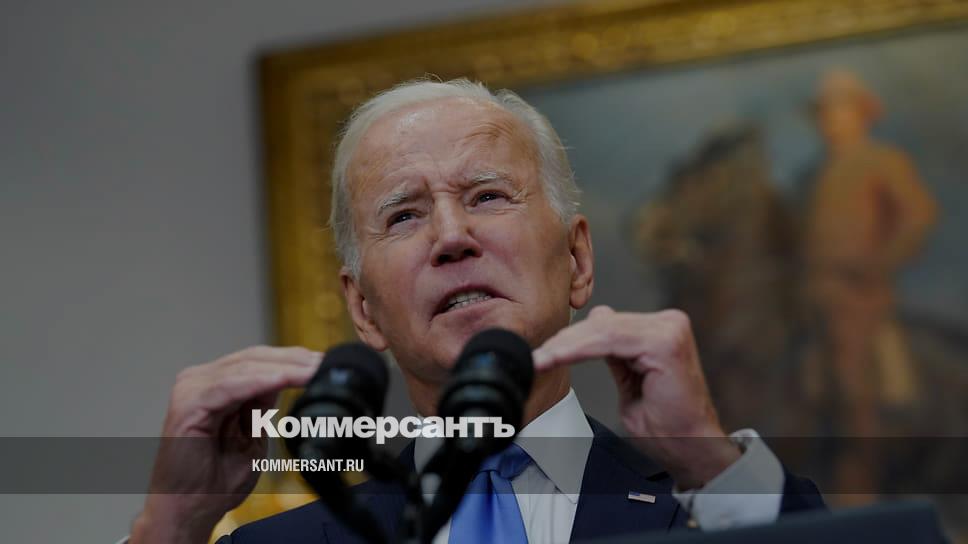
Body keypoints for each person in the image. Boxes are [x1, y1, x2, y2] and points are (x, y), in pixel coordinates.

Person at [129, 79, 823, 544]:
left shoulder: (718, 505)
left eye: (488, 196)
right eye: (404, 215)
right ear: (363, 308)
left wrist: (710, 465)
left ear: (577, 259)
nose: (451, 236)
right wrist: (170, 526)